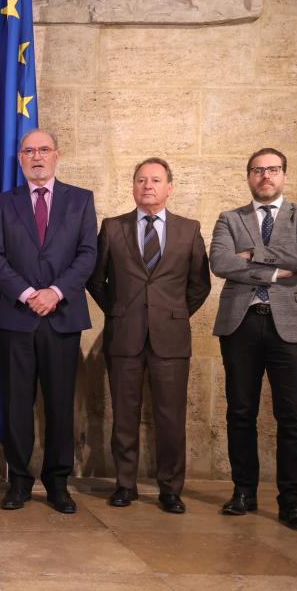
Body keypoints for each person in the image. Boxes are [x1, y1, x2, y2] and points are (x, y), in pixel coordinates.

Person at [87, 157, 211, 513]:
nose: (148, 186)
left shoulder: (189, 229)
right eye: (141, 180)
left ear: (169, 187)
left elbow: (199, 284)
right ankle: (125, 485)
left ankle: (170, 488)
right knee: (124, 415)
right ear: (133, 186)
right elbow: (96, 280)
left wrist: (173, 313)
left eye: (156, 180)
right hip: (124, 336)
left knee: (171, 418)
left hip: (170, 339)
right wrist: (119, 309)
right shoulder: (113, 228)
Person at [210, 148, 297, 531]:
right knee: (240, 412)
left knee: (291, 416)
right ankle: (243, 491)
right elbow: (222, 262)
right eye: (258, 170)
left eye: (272, 170)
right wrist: (276, 272)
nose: (265, 176)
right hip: (241, 325)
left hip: (290, 326)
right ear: (248, 176)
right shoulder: (229, 218)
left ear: (284, 175)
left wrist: (253, 254)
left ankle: (292, 501)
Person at [0, 129, 97, 513]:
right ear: (19, 159)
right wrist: (28, 294)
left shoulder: (81, 200)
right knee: (16, 404)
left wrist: (55, 292)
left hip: (62, 316)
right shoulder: (2, 203)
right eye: (29, 150)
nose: (37, 156)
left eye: (43, 150)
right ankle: (18, 480)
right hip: (17, 317)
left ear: (56, 155)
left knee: (60, 404)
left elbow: (87, 253)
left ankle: (57, 482)